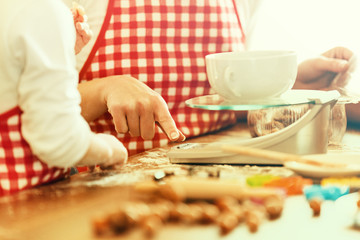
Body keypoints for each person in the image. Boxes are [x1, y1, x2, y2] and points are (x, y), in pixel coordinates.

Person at [62, 0, 355, 158]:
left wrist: (289, 85)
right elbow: (27, 114)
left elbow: (230, 102)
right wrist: (103, 89)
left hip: (226, 169)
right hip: (108, 187)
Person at [0, 0, 128, 196]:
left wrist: (58, 49)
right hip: (19, 209)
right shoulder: (40, 10)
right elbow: (58, 142)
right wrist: (109, 150)